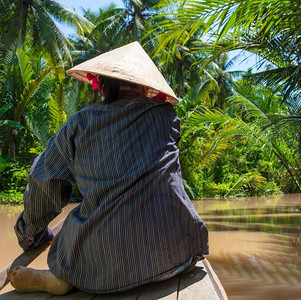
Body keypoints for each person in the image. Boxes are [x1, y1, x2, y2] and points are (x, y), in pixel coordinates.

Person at [6, 42, 209, 295]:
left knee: (46, 169)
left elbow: (44, 181)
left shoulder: (81, 121)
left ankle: (59, 278)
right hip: (179, 255)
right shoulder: (167, 116)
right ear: (147, 87)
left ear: (102, 85)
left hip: (100, 266)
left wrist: (32, 235)